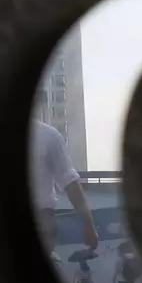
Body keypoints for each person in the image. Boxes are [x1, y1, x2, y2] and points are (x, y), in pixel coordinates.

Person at [30, 89, 99, 250]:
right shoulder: (48, 136)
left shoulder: (47, 136)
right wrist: (89, 224)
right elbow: (70, 182)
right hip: (42, 222)